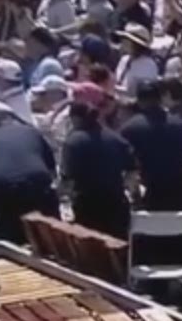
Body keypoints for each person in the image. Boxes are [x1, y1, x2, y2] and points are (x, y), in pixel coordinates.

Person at [0, 104, 57, 242]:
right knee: (51, 234)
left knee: (10, 239)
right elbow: (51, 170)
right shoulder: (31, 131)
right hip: (38, 181)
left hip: (4, 186)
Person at [118, 79, 182, 222]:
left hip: (153, 200)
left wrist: (136, 198)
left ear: (139, 100)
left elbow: (132, 174)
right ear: (161, 98)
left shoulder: (129, 129)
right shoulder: (179, 125)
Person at [57, 98, 133, 236]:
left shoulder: (73, 142)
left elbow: (67, 179)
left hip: (88, 207)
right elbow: (131, 170)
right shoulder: (115, 138)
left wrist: (62, 197)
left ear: (75, 118)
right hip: (116, 204)